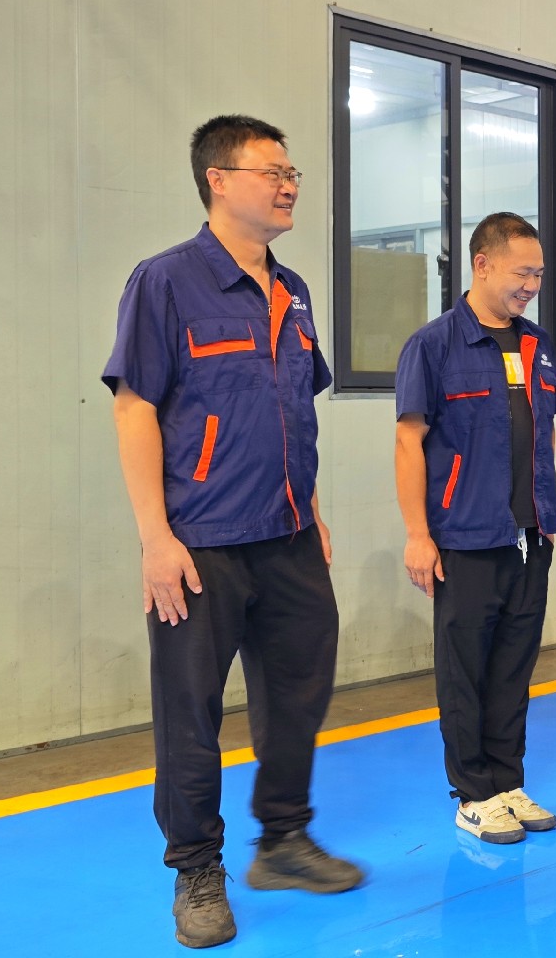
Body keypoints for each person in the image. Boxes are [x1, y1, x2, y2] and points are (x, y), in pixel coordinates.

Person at [104, 115, 363, 949]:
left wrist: (312, 510)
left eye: (292, 173)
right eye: (271, 172)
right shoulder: (167, 282)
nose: (288, 185)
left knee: (299, 693)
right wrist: (155, 538)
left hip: (289, 535)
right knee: (191, 712)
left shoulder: (294, 291)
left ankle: (283, 839)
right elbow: (135, 408)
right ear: (218, 179)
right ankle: (196, 869)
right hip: (201, 541)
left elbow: (290, 415)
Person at [395, 212, 556, 846]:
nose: (532, 286)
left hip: (530, 537)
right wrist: (418, 534)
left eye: (539, 275)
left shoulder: (537, 345)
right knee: (464, 670)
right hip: (464, 538)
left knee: (513, 667)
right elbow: (409, 442)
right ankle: (473, 793)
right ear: (482, 264)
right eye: (522, 273)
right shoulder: (434, 345)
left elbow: (545, 432)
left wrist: (545, 511)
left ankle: (506, 781)